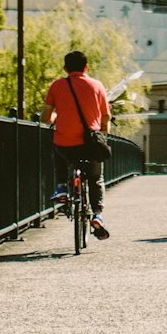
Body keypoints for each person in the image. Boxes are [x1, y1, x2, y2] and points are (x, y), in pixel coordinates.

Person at [40, 50, 112, 240]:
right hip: (90, 145)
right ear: (86, 67)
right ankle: (97, 215)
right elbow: (105, 117)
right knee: (95, 179)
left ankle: (62, 187)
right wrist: (103, 131)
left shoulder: (57, 86)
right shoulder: (97, 86)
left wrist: (55, 118)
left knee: (58, 150)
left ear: (65, 68)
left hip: (66, 143)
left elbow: (46, 117)